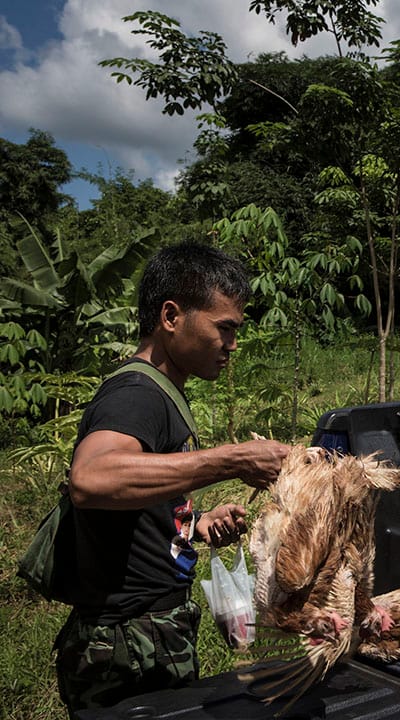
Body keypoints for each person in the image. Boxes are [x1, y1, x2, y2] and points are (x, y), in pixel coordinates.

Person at [54, 242, 294, 717]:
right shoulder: (136, 393)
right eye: (224, 328)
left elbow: (136, 492)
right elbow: (92, 478)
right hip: (126, 642)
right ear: (171, 317)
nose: (232, 345)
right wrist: (232, 460)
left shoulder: (161, 393)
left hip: (147, 631)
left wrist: (194, 521)